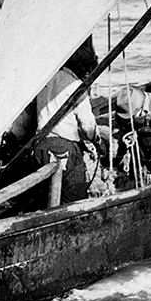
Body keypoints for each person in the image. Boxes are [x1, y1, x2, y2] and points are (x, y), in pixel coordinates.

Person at [33, 38, 99, 204]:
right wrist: (98, 142)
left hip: (40, 148)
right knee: (75, 200)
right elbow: (88, 126)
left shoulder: (44, 81)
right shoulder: (77, 86)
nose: (88, 71)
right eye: (86, 66)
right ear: (77, 66)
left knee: (44, 197)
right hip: (65, 150)